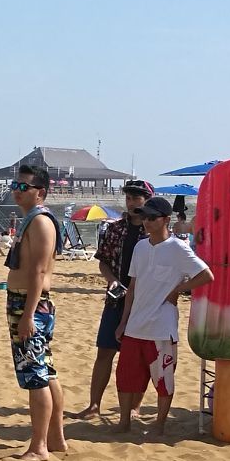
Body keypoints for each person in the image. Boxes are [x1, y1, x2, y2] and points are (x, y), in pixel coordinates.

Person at [116, 195, 213, 438]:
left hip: (161, 327)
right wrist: (123, 321)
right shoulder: (140, 247)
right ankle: (124, 422)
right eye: (144, 217)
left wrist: (178, 290)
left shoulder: (178, 247)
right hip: (135, 325)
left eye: (152, 218)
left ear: (166, 220)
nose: (146, 222)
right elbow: (132, 287)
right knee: (125, 378)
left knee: (163, 379)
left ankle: (159, 424)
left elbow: (206, 275)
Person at [4, 162, 67, 459]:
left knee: (35, 375)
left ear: (40, 192)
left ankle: (39, 446)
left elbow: (39, 272)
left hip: (30, 303)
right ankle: (56, 438)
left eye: (23, 187)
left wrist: (28, 315)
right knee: (46, 370)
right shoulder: (32, 219)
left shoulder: (41, 221)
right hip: (26, 302)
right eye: (15, 186)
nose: (16, 191)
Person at [75, 180, 150, 422]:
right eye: (128, 198)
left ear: (147, 200)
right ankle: (94, 405)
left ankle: (135, 407)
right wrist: (112, 280)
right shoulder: (115, 229)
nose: (131, 202)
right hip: (116, 300)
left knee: (139, 358)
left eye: (136, 198)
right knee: (104, 352)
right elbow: (103, 261)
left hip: (143, 303)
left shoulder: (154, 232)